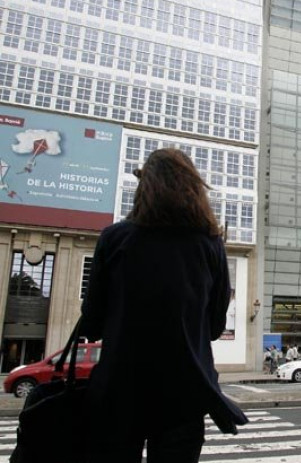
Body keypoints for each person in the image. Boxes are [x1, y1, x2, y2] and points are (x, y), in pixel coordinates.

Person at [79, 148, 248, 463]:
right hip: (183, 394)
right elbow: (214, 327)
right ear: (193, 190)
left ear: (144, 188)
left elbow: (91, 323)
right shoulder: (209, 245)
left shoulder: (114, 238)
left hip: (119, 390)